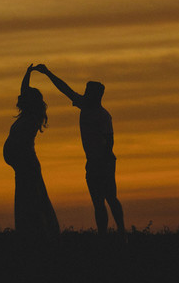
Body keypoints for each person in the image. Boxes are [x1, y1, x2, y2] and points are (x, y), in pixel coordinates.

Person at [34, 64, 126, 237]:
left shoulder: (103, 115)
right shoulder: (84, 105)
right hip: (92, 162)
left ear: (96, 95)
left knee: (111, 198)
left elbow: (110, 142)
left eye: (88, 91)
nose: (84, 94)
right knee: (98, 203)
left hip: (104, 163)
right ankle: (103, 236)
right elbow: (65, 89)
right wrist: (47, 73)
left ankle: (122, 233)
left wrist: (102, 163)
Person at [3, 64, 60, 240]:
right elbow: (24, 90)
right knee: (26, 199)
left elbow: (24, 92)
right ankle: (32, 233)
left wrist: (29, 75)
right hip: (23, 165)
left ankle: (42, 233)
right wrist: (28, 73)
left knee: (33, 200)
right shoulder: (27, 116)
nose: (21, 98)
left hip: (27, 165)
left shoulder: (32, 117)